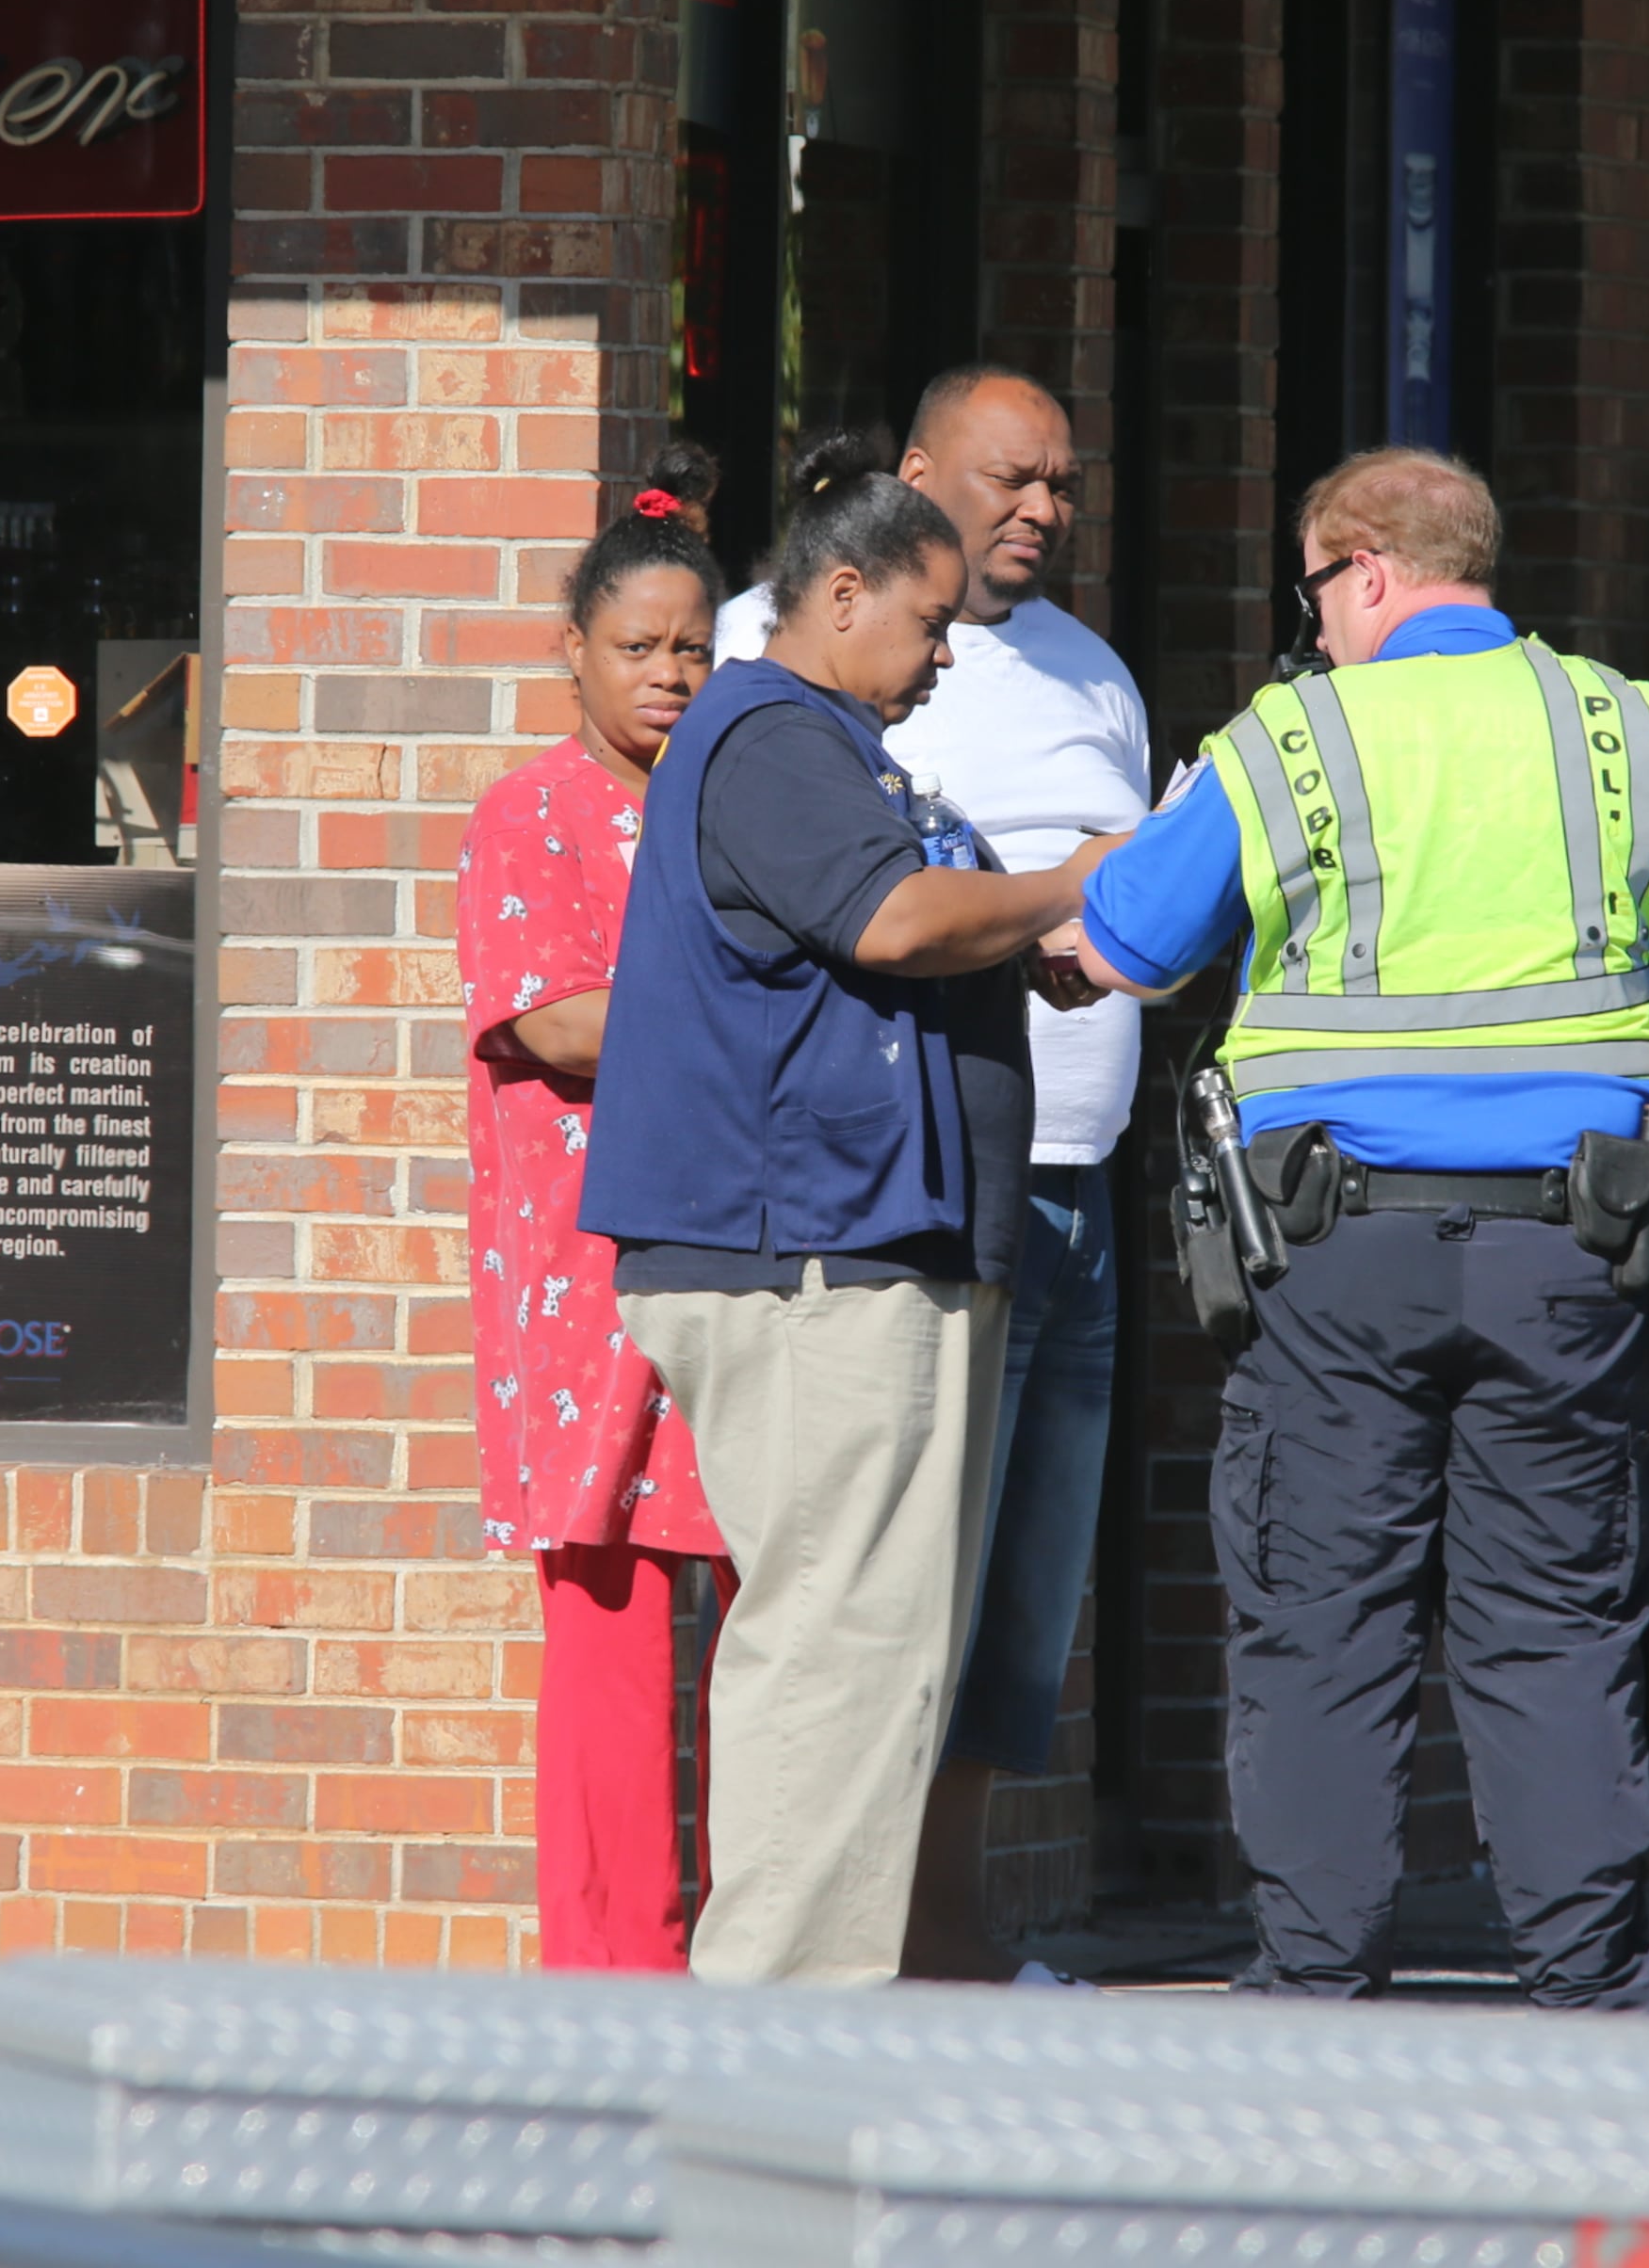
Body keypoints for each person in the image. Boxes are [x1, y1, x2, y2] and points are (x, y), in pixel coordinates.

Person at [1074, 446, 1649, 2010]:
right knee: (1557, 1611)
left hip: (1331, 1258)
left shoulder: (1291, 738)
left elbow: (1127, 946)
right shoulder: (1630, 728)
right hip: (1572, 1253)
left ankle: (1321, 1980)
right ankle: (1589, 1979)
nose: (1316, 623)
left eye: (1318, 590)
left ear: (1369, 569)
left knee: (1323, 1612)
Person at [582, 436, 1122, 1985]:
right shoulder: (767, 732)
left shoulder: (838, 746)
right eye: (928, 622)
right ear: (837, 590)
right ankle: (776, 2039)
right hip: (807, 1255)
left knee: (878, 1649)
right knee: (840, 1644)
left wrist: (1015, 943)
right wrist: (1071, 877)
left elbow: (884, 928)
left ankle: (820, 2017)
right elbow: (887, 917)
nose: (947, 657)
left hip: (870, 1247)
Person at [719, 368, 1151, 1984]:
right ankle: (862, 1947)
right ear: (912, 479)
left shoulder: (1094, 672)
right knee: (899, 1583)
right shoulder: (803, 652)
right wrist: (1049, 898)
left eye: (1063, 482)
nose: (1043, 506)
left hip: (1079, 1173)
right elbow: (871, 907)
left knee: (1025, 1587)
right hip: (917, 1189)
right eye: (1009, 476)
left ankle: (945, 1929)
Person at [458, 449, 736, 1971]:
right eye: (637, 646)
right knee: (614, 1612)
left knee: (767, 1602)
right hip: (586, 1270)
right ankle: (615, 1962)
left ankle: (753, 1952)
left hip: (749, 1247)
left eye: (694, 645)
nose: (669, 674)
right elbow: (555, 1019)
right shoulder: (531, 815)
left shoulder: (745, 800)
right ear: (574, 652)